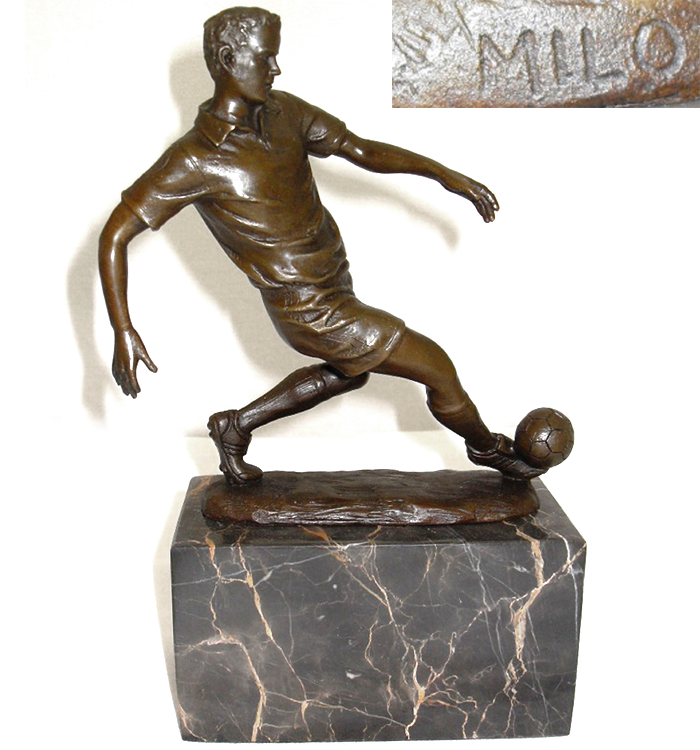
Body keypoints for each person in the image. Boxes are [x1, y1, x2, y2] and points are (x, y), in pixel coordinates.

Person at [99, 6, 542, 484]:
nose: (276, 69)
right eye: (265, 58)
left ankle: (236, 426)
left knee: (350, 372)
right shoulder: (194, 159)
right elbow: (114, 235)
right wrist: (123, 328)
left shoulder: (285, 112)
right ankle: (488, 448)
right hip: (306, 308)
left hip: (336, 284)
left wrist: (442, 174)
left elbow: (361, 149)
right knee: (436, 367)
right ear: (228, 59)